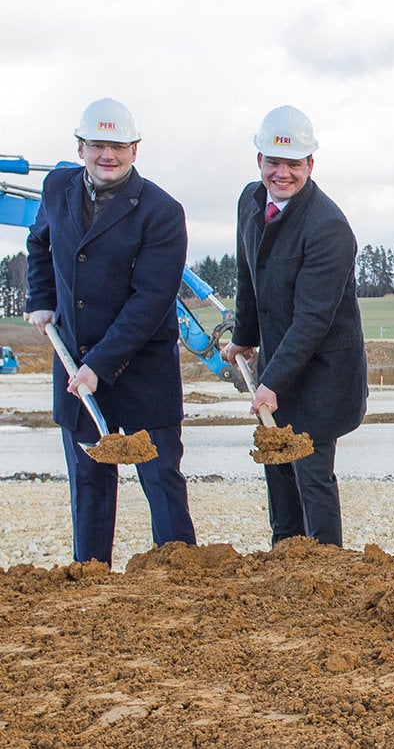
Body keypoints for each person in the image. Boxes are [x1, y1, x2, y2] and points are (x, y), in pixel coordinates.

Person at [24, 98, 197, 564]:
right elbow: (38, 243)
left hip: (142, 369)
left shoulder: (162, 211)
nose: (108, 155)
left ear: (135, 150)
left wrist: (98, 365)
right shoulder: (56, 188)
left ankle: (182, 579)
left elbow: (151, 300)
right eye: (98, 145)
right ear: (80, 147)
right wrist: (39, 298)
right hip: (74, 360)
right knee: (88, 484)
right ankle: (91, 577)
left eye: (118, 146)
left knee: (160, 479)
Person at [222, 105, 367, 548]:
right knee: (277, 468)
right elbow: (249, 274)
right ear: (259, 161)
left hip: (323, 373)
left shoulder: (328, 228)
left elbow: (313, 319)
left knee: (311, 473)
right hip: (279, 362)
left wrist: (272, 382)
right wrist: (245, 336)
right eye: (273, 162)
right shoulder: (251, 201)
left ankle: (326, 568)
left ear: (310, 165)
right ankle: (283, 560)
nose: (282, 173)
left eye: (293, 164)